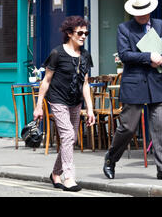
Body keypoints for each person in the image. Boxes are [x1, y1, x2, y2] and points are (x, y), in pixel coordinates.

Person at [103, 0, 162, 181]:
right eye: (139, 11)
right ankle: (111, 158)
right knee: (128, 128)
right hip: (134, 84)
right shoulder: (124, 28)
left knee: (161, 126)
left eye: (145, 11)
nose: (142, 15)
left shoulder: (160, 25)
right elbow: (124, 54)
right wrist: (148, 57)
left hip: (157, 84)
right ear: (133, 12)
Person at [33, 16, 95, 192]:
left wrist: (90, 109)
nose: (84, 36)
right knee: (68, 135)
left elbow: (85, 83)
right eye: (80, 33)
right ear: (69, 33)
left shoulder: (85, 55)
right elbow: (46, 80)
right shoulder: (57, 53)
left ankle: (55, 174)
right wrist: (38, 106)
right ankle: (69, 177)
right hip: (58, 99)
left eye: (86, 33)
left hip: (75, 102)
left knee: (71, 138)